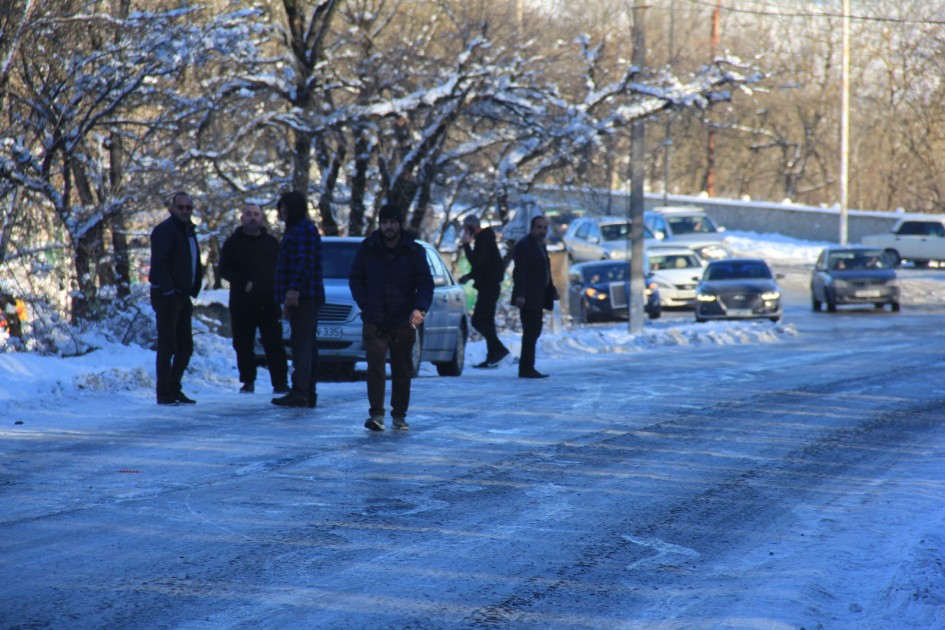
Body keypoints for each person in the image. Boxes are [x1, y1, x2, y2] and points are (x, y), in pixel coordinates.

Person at [349, 203, 433, 431]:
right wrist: (365, 303)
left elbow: (425, 283)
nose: (389, 227)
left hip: (404, 319)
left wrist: (420, 308)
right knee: (375, 366)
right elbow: (355, 278)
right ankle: (376, 414)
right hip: (374, 318)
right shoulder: (368, 248)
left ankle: (399, 415)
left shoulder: (413, 251)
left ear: (399, 224)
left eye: (393, 222)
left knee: (402, 368)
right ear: (380, 224)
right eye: (385, 222)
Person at [219, 203, 289, 395]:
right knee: (243, 343)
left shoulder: (272, 243)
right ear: (242, 218)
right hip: (243, 302)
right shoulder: (232, 243)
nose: (252, 217)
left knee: (274, 343)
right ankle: (248, 381)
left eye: (256, 214)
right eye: (248, 214)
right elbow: (224, 269)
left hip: (269, 302)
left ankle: (280, 382)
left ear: (262, 218)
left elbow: (282, 269)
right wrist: (242, 282)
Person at [148, 191, 204, 405]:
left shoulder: (188, 231)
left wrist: (193, 287)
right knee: (167, 345)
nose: (184, 211)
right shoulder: (165, 230)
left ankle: (174, 387)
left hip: (183, 295)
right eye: (180, 207)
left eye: (188, 208)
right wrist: (169, 291)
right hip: (167, 295)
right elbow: (159, 263)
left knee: (185, 346)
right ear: (172, 208)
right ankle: (164, 393)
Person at [272, 191, 325, 408]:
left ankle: (301, 391)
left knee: (302, 344)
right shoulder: (297, 230)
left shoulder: (302, 230)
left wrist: (293, 290)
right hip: (305, 295)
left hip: (304, 296)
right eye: (280, 207)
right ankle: (307, 391)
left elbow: (303, 263)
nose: (282, 212)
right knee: (306, 344)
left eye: (286, 207)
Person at [459, 214, 509, 368]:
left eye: (467, 230)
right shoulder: (485, 239)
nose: (466, 233)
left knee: (478, 320)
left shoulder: (484, 240)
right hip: (488, 285)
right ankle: (492, 355)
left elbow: (476, 260)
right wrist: (469, 276)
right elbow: (483, 266)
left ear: (472, 228)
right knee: (487, 321)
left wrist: (466, 245)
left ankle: (499, 349)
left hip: (489, 287)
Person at [511, 214, 558, 379]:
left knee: (534, 331)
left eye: (545, 228)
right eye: (539, 227)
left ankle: (527, 366)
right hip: (529, 297)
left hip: (538, 296)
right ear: (532, 228)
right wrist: (520, 294)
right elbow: (520, 272)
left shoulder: (540, 245)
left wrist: (552, 289)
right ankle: (526, 368)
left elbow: (545, 271)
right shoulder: (525, 245)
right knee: (530, 332)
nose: (542, 231)